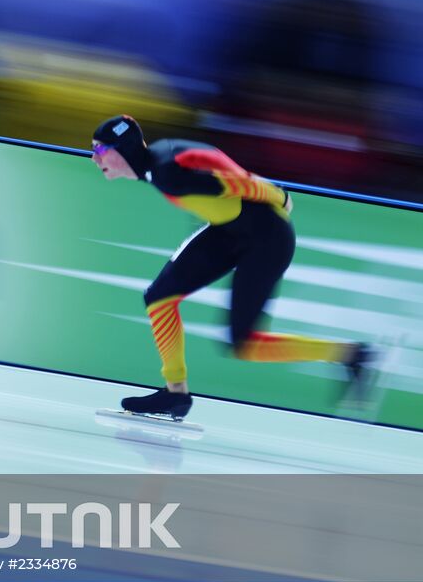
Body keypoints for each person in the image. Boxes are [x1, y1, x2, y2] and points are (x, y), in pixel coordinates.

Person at [89, 114, 371, 419]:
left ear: (124, 150)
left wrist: (280, 194)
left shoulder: (166, 171)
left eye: (101, 150)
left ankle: (351, 355)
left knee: (245, 344)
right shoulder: (156, 165)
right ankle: (175, 393)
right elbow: (213, 163)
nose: (94, 158)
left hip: (267, 237)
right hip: (228, 230)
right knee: (158, 297)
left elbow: (236, 183)